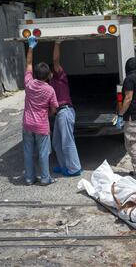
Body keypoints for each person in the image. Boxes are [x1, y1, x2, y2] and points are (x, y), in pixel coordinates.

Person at [23, 36, 58, 186]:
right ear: (47, 75)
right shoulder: (50, 90)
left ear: (36, 74)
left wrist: (31, 47)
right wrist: (48, 114)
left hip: (27, 124)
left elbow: (29, 63)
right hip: (41, 125)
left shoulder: (29, 84)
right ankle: (45, 178)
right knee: (44, 153)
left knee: (28, 152)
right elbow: (54, 109)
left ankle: (29, 178)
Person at [50, 40, 82, 177]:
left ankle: (74, 168)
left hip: (65, 111)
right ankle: (64, 166)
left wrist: (57, 43)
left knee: (67, 141)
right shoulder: (49, 83)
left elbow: (55, 60)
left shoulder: (60, 77)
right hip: (59, 113)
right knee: (56, 141)